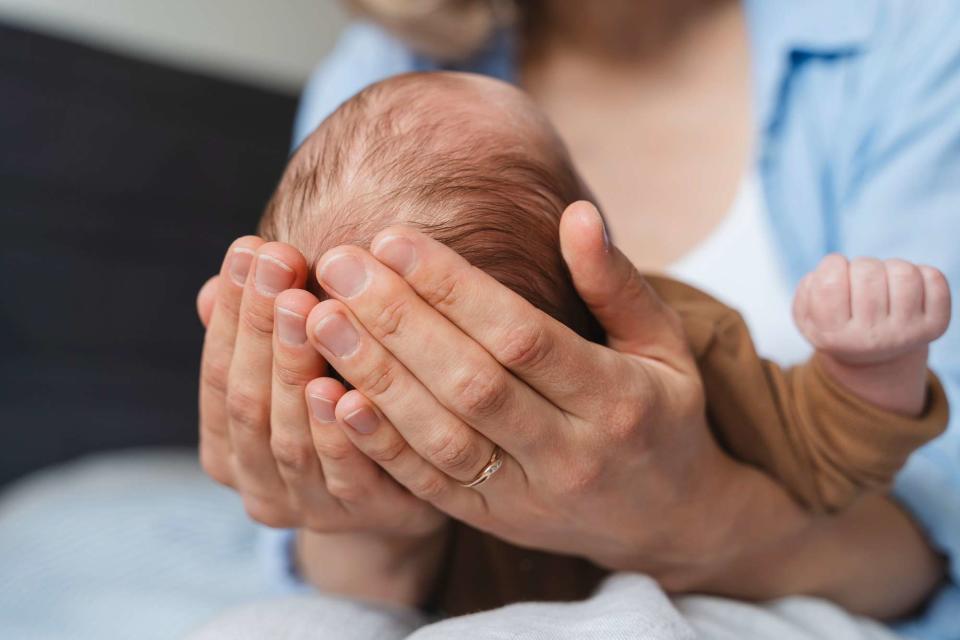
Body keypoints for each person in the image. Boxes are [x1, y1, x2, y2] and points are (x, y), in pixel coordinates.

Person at [194, 0, 960, 636]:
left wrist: (872, 366)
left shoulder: (699, 342)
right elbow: (344, 578)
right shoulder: (382, 69)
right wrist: (343, 498)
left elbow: (834, 449)